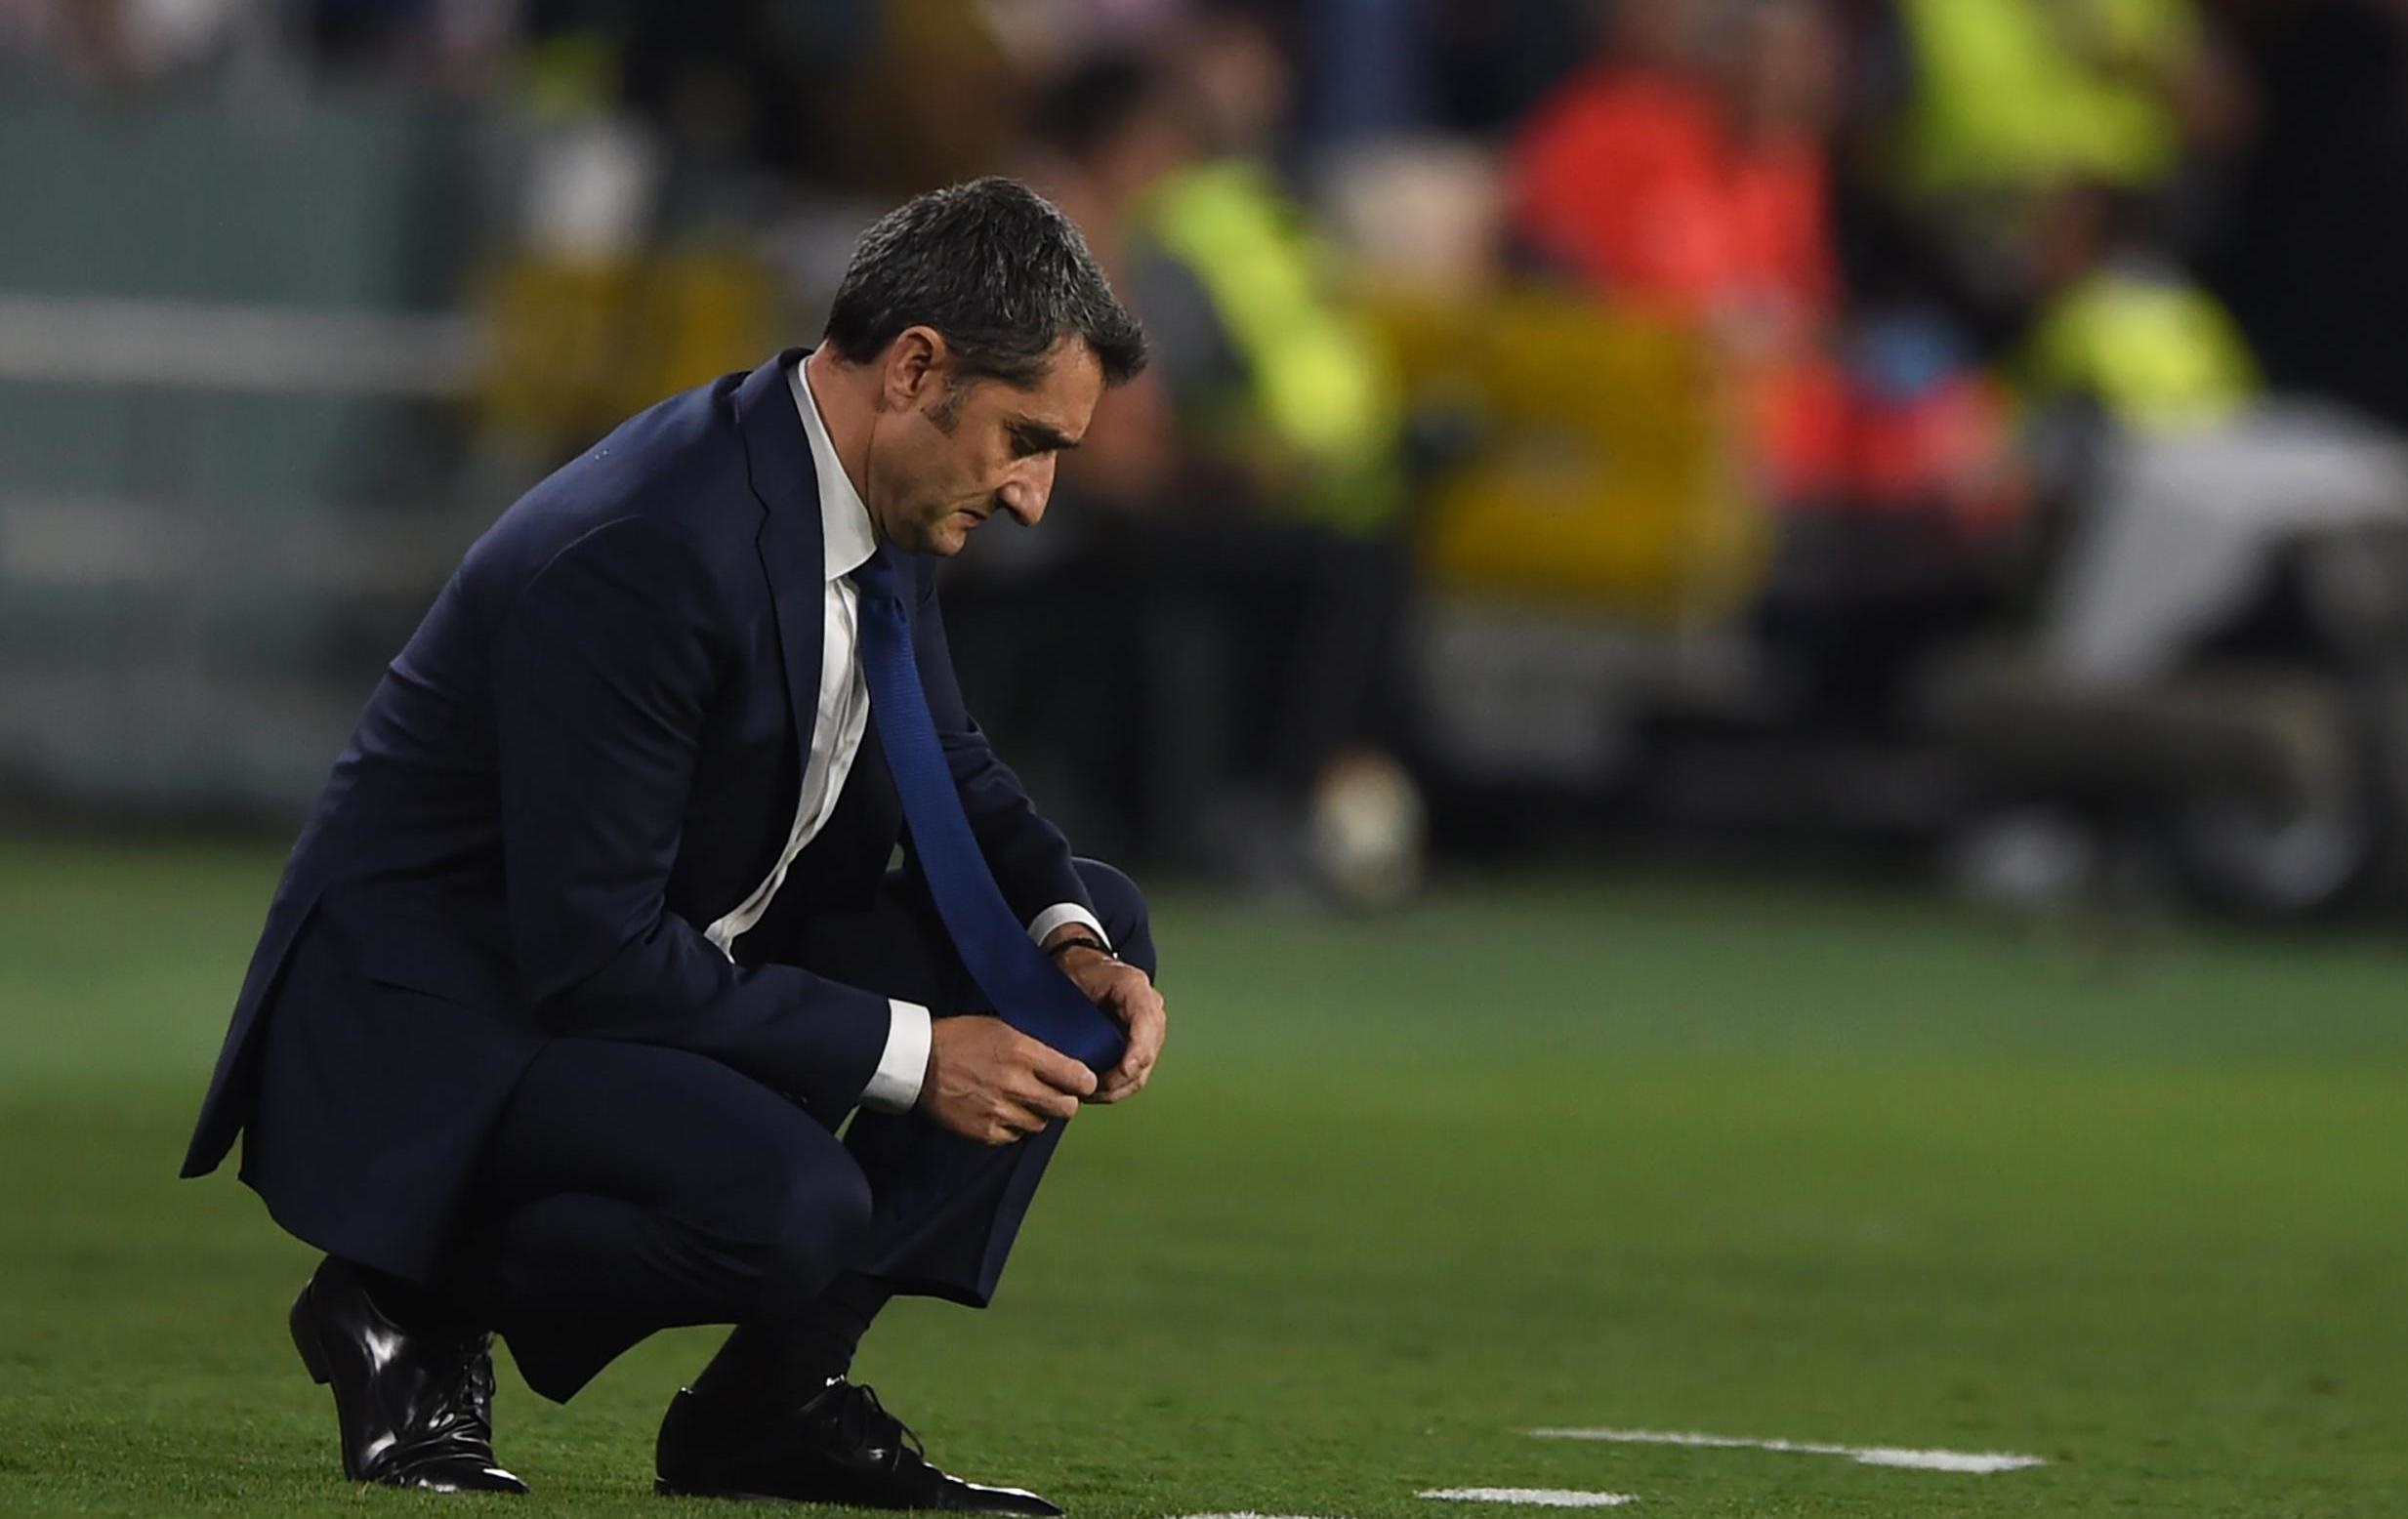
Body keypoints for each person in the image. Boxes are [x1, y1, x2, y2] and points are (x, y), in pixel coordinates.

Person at [179, 177, 1168, 1510]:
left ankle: (771, 1410)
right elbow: (590, 952)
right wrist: (919, 1055)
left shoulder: (872, 482)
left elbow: (950, 763)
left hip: (654, 960)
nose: (1036, 496)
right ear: (915, 369)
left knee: (1080, 945)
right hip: (459, 1018)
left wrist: (1071, 941)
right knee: (786, 1208)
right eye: (1025, 441)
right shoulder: (652, 544)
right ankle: (403, 1295)